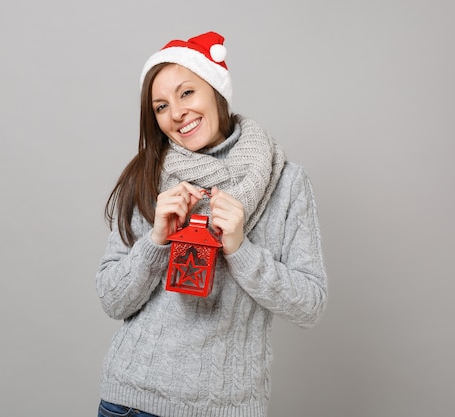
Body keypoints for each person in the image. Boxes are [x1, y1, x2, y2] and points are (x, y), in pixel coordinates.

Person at [95, 31, 328, 417]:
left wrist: (240, 249)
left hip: (225, 407)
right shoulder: (148, 176)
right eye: (160, 106)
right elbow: (111, 298)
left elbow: (310, 305)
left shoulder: (286, 182)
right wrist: (156, 241)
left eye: (187, 93)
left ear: (216, 92)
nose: (176, 113)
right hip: (132, 402)